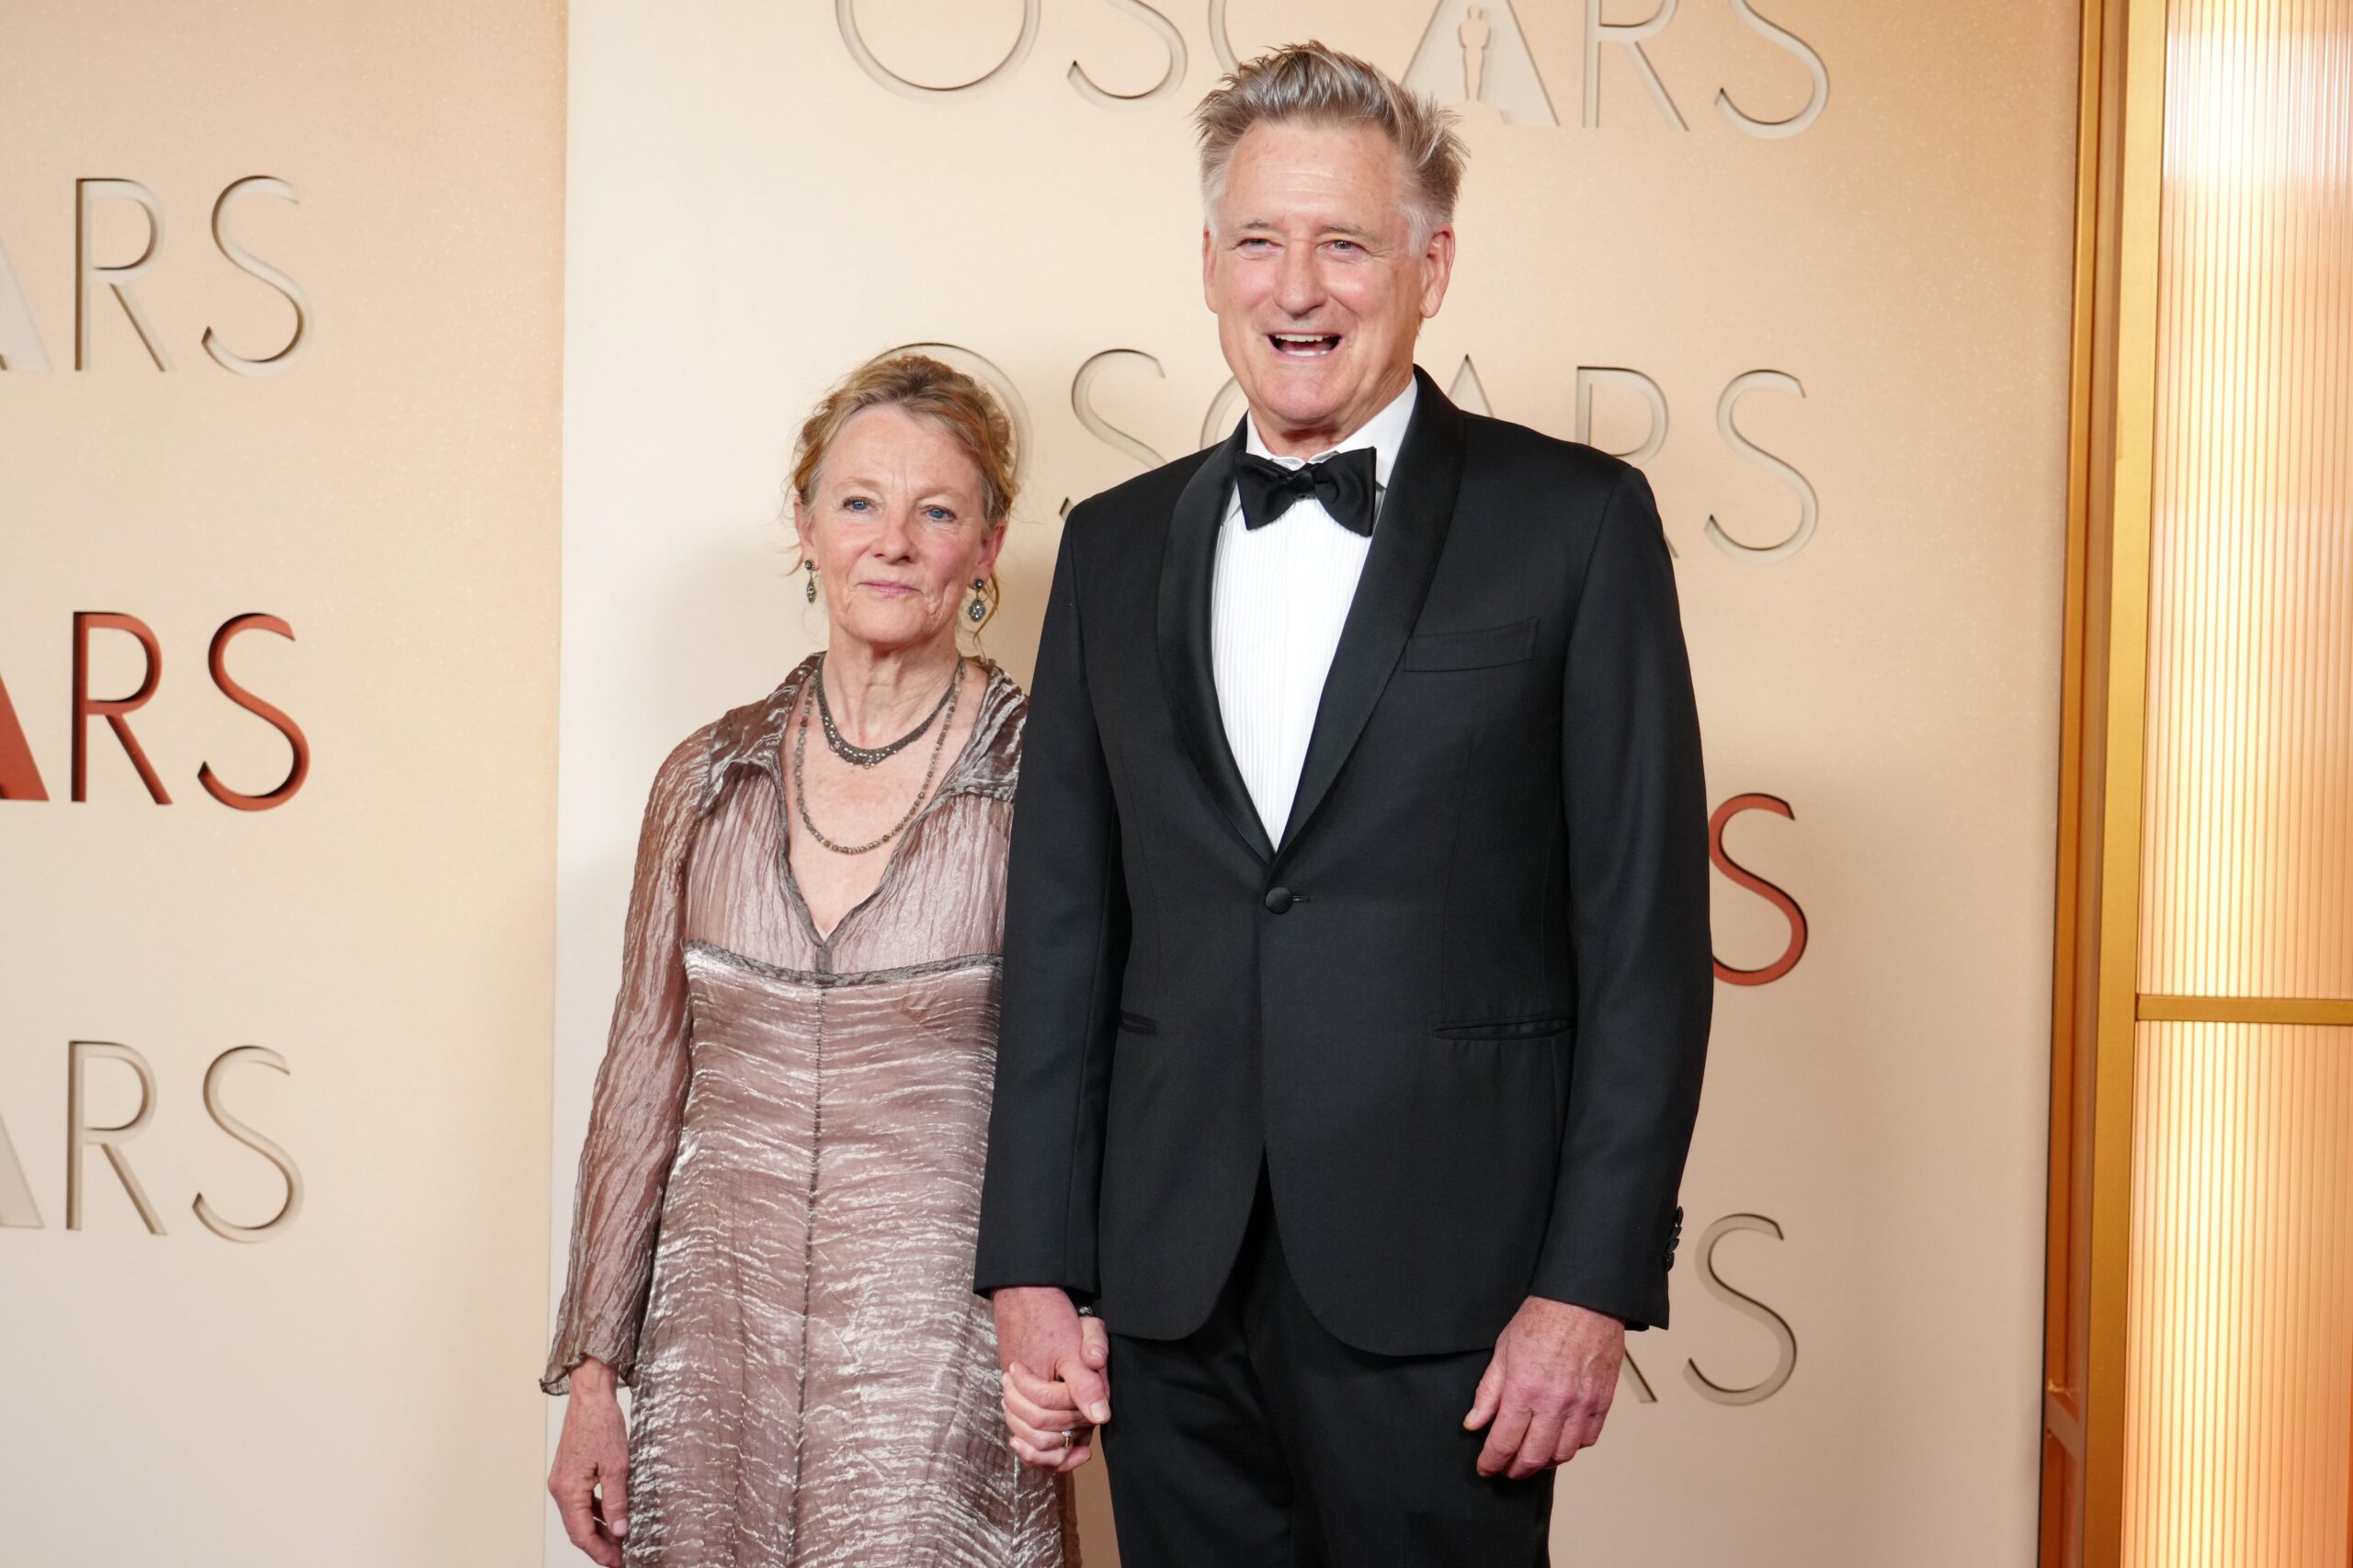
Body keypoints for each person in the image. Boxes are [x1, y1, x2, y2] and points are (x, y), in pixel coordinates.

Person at [975, 42, 1711, 1567]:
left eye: (1344, 242)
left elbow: (1643, 942)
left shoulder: (1575, 526)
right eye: (1258, 239)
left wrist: (1588, 1290)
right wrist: (1033, 1262)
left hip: (1459, 1300)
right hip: (1169, 1292)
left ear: (1431, 265)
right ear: (1207, 265)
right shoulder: (1110, 549)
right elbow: (1062, 940)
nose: (1295, 286)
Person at [544, 355, 1074, 1567]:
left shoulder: (1049, 783)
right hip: (713, 1343)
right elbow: (640, 1080)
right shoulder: (705, 776)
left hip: (949, 1353)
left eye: (936, 510)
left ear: (986, 546)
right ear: (805, 526)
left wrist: (1075, 1319)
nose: (893, 540)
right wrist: (593, 1378)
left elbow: (1102, 1074)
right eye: (858, 502)